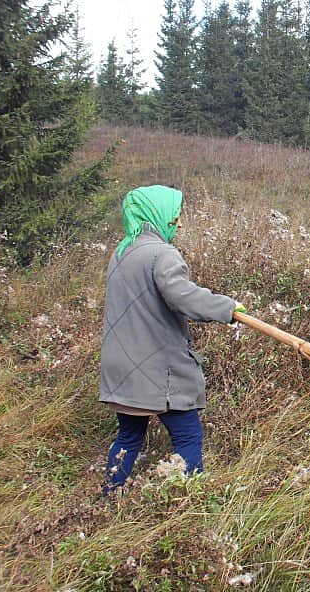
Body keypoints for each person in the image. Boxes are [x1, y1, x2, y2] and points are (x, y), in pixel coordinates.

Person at [99, 185, 246, 495]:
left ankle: (109, 499)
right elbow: (183, 297)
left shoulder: (123, 251)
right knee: (189, 437)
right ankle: (188, 502)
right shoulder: (161, 254)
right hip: (156, 369)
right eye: (175, 216)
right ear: (158, 214)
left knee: (128, 437)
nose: (179, 223)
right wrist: (228, 308)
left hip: (121, 368)